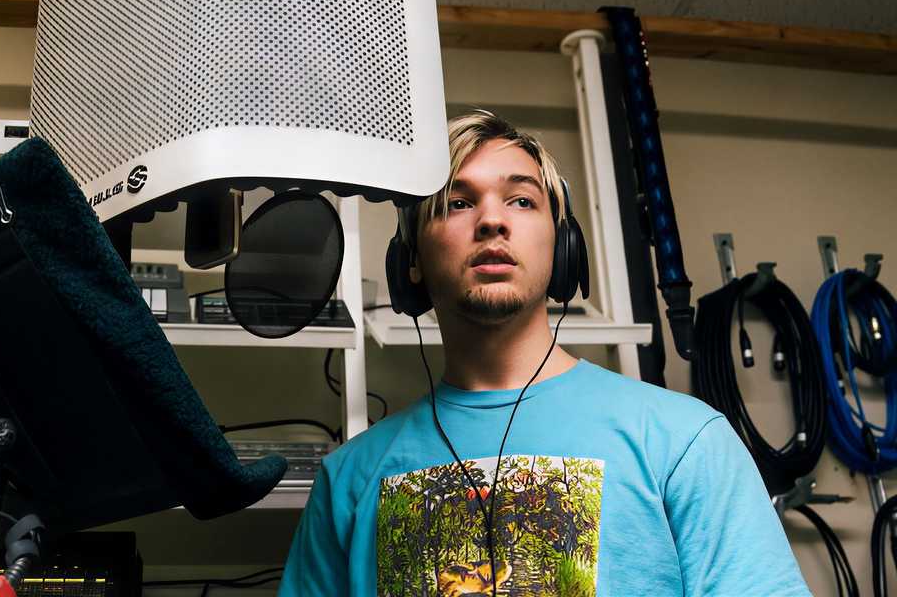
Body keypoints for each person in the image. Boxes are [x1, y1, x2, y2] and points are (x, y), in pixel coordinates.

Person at [278, 111, 810, 596]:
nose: (492, 221)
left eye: (522, 200)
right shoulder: (348, 479)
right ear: (409, 261)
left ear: (563, 251)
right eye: (458, 202)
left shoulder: (685, 443)